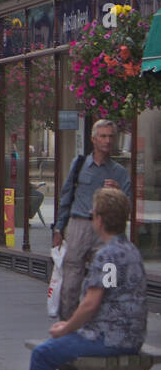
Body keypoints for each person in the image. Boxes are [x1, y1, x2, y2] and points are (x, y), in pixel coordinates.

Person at [0, 187, 146, 370]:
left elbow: (91, 303)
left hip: (108, 338)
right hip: (129, 336)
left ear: (99, 220)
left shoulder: (107, 255)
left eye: (93, 214)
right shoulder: (131, 250)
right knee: (49, 349)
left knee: (44, 353)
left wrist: (67, 327)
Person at [53, 119, 130, 320]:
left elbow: (127, 207)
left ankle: (105, 324)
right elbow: (66, 196)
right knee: (71, 282)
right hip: (79, 225)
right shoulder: (79, 165)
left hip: (106, 230)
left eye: (111, 136)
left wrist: (119, 192)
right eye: (103, 136)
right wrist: (59, 228)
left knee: (108, 280)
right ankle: (67, 326)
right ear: (94, 139)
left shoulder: (120, 172)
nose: (107, 141)